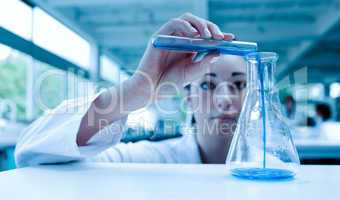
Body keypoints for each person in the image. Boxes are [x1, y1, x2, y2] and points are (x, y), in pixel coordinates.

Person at [15, 13, 247, 167]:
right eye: (207, 85)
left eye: (239, 84)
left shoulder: (279, 162)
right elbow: (34, 155)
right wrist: (135, 90)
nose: (225, 99)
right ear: (188, 99)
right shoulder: (155, 160)